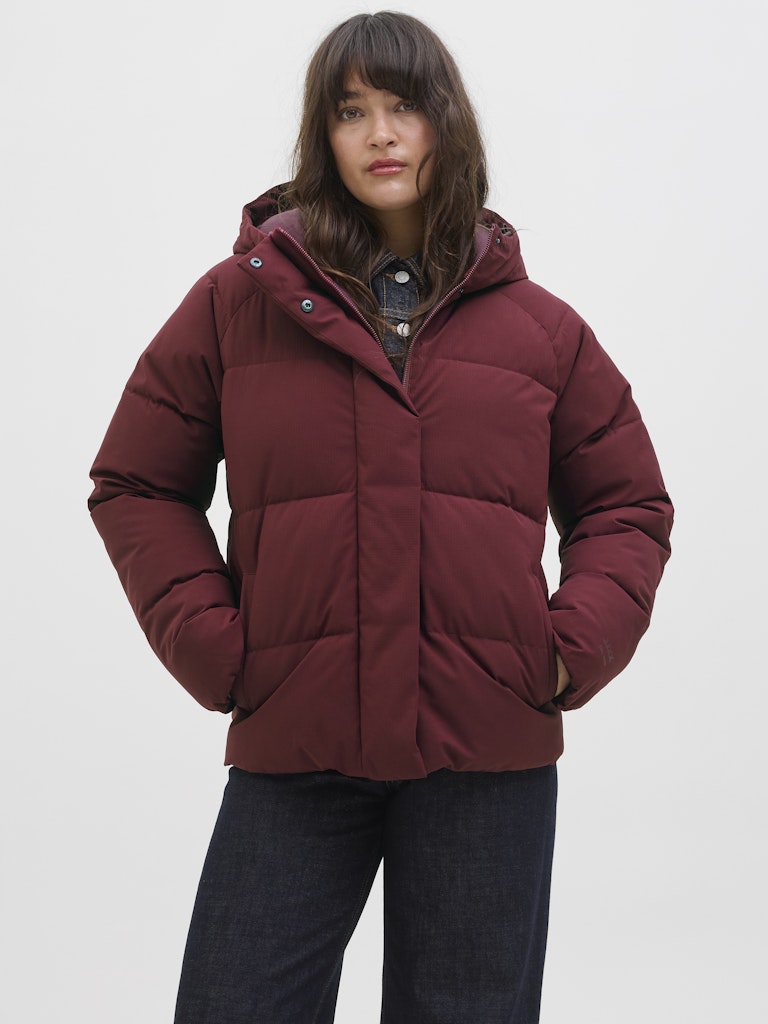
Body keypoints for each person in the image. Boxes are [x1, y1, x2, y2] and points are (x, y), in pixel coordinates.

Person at [88, 10, 673, 1023]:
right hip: (298, 739)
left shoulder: (542, 331)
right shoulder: (234, 307)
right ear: (323, 136)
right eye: (350, 111)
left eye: (404, 105)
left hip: (486, 751)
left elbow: (628, 501)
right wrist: (219, 650)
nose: (381, 134)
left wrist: (565, 652)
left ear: (448, 121)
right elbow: (135, 481)